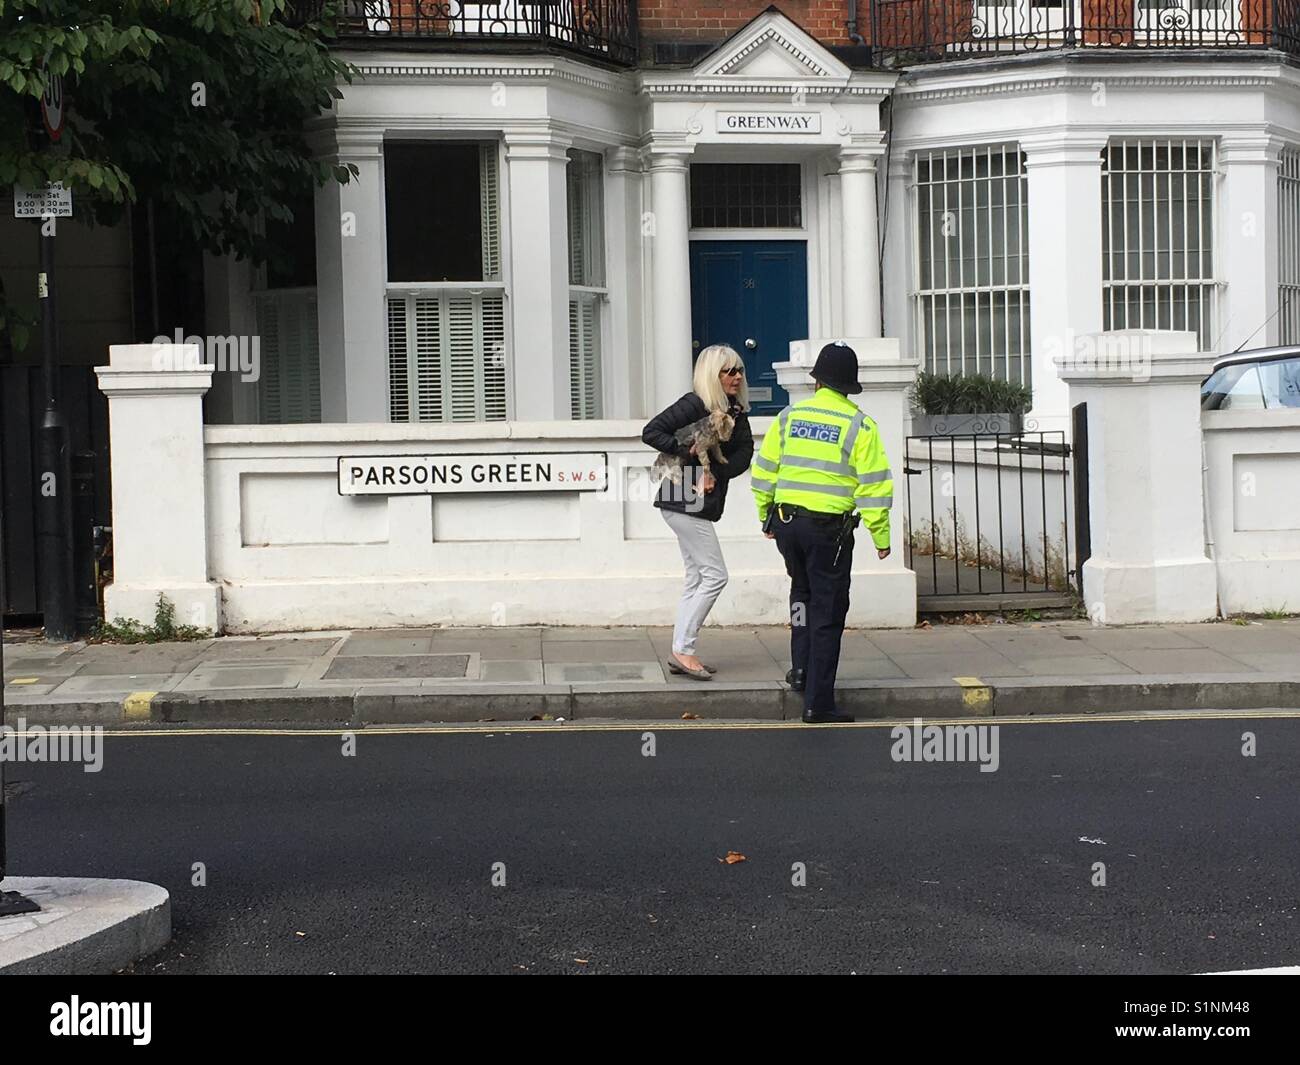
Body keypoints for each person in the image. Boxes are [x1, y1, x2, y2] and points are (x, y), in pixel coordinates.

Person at [751, 341, 893, 723]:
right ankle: (818, 702)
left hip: (787, 525)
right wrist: (881, 537)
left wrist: (766, 516)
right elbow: (875, 487)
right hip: (828, 532)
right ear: (849, 387)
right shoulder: (860, 425)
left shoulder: (788, 417)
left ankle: (800, 670)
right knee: (827, 611)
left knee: (801, 594)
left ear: (817, 382)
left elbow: (763, 472)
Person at [642, 344, 753, 680]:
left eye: (739, 370)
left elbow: (745, 452)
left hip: (694, 502)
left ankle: (681, 649)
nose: (736, 377)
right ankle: (684, 650)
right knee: (715, 575)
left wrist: (717, 471)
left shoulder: (735, 410)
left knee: (696, 577)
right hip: (683, 499)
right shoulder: (695, 404)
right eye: (728, 371)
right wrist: (686, 452)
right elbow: (652, 431)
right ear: (711, 375)